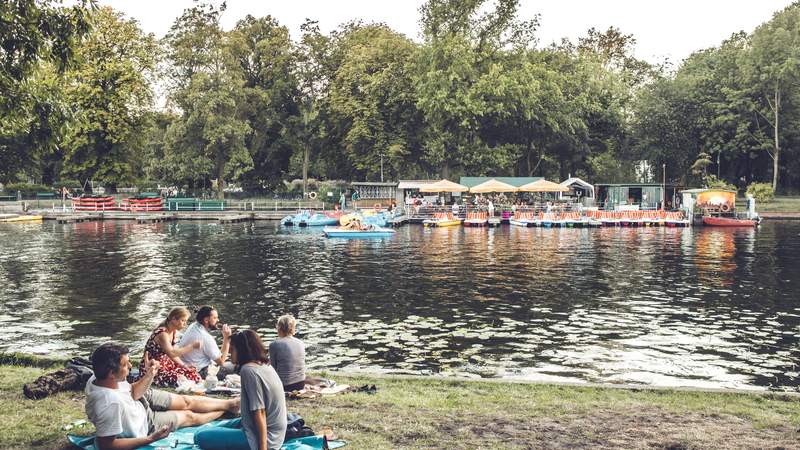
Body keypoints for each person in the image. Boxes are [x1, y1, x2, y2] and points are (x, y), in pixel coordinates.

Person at [86, 342, 238, 450]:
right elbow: (106, 445)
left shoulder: (96, 378)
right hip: (146, 422)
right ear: (111, 373)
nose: (131, 366)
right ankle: (224, 411)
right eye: (126, 365)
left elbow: (133, 392)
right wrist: (150, 439)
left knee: (186, 400)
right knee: (189, 416)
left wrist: (149, 375)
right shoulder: (109, 404)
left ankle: (230, 404)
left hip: (138, 399)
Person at [194, 330, 287, 450]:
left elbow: (260, 412)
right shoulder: (265, 365)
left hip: (264, 437)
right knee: (206, 428)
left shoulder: (248, 370)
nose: (230, 353)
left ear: (242, 350)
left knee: (199, 436)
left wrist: (263, 447)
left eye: (232, 349)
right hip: (260, 427)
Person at [140, 307, 202, 387]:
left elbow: (171, 353)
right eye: (183, 320)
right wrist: (192, 346)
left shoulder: (173, 331)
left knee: (191, 372)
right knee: (178, 378)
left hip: (166, 364)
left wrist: (184, 365)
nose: (185, 324)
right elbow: (172, 353)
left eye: (185, 321)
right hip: (153, 367)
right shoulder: (162, 334)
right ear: (173, 319)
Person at [178, 306, 233, 380]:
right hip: (200, 372)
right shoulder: (205, 337)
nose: (218, 320)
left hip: (187, 366)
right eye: (215, 318)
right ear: (206, 320)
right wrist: (226, 339)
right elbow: (221, 362)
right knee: (234, 368)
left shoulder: (193, 326)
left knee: (230, 365)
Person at [268, 315, 306, 392]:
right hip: (301, 383)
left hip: (284, 386)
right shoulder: (300, 343)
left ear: (279, 328)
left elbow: (273, 369)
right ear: (293, 328)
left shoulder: (274, 345)